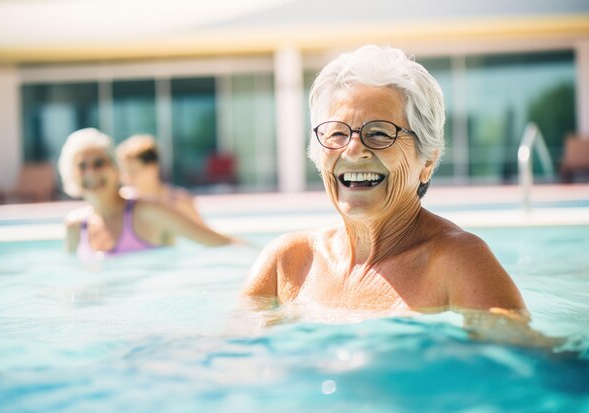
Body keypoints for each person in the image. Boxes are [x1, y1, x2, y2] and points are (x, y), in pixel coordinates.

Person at [241, 46, 527, 316]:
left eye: (379, 133)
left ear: (426, 161)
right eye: (338, 133)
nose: (353, 149)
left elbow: (521, 359)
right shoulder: (287, 264)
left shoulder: (457, 263)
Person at [58, 128, 234, 260]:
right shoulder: (75, 226)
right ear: (70, 175)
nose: (90, 172)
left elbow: (220, 243)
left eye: (99, 163)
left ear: (116, 169)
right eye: (82, 166)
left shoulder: (149, 212)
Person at [116, 134, 204, 224]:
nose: (127, 178)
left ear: (152, 168)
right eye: (124, 172)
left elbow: (204, 235)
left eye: (133, 171)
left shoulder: (179, 201)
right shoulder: (122, 200)